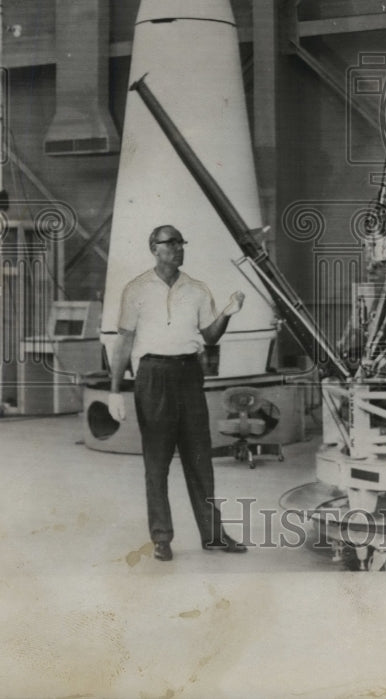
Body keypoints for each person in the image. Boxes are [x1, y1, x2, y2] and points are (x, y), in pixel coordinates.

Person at [108, 224, 247, 561]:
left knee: (200, 458)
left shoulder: (197, 289)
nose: (178, 248)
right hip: (152, 375)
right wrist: (115, 390)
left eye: (181, 242)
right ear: (153, 248)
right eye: (170, 242)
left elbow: (210, 337)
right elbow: (124, 340)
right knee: (156, 462)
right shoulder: (136, 289)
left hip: (189, 374)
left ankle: (213, 535)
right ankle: (161, 538)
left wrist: (227, 314)